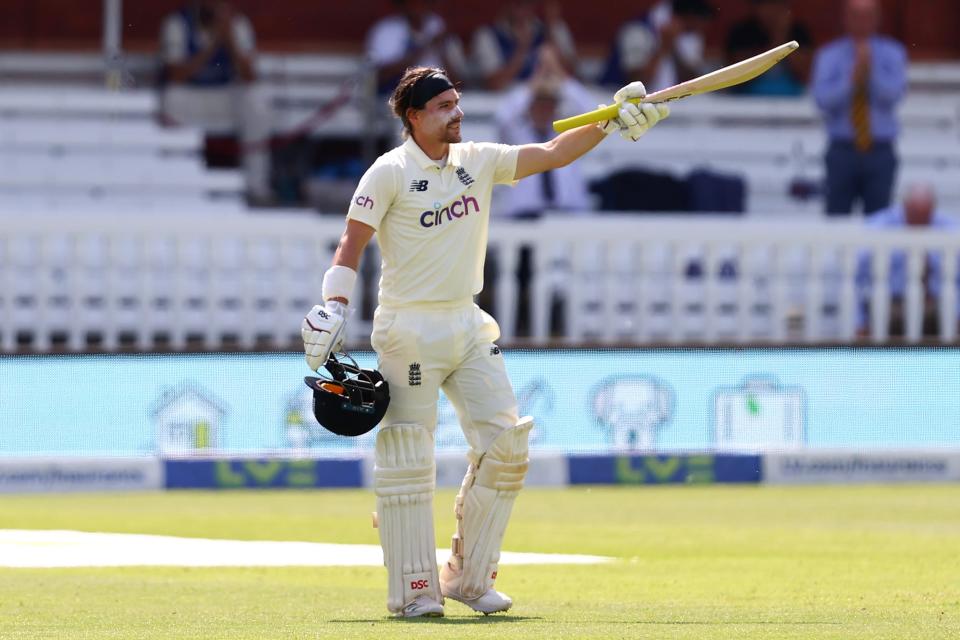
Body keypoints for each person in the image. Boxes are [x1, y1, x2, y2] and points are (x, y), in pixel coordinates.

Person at [301, 66, 669, 617]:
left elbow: (551, 152)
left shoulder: (477, 159)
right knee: (407, 459)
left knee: (506, 448)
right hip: (408, 327)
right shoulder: (389, 172)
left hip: (468, 324)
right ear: (414, 116)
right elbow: (351, 244)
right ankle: (412, 592)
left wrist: (613, 122)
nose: (457, 113)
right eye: (445, 106)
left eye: (458, 102)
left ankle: (468, 578)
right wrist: (335, 306)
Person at [159, 0, 273, 205]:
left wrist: (230, 39)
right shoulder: (178, 23)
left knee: (256, 99)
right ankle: (176, 182)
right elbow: (175, 75)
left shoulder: (237, 24)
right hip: (192, 95)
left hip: (224, 95)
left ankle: (256, 187)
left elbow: (250, 76)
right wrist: (212, 45)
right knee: (172, 97)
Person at [811, 0, 907, 216]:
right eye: (856, 15)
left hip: (880, 149)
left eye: (868, 15)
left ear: (877, 18)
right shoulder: (828, 55)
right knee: (836, 218)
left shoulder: (894, 53)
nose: (862, 22)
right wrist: (851, 81)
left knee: (880, 220)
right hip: (842, 149)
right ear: (846, 18)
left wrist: (870, 73)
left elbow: (894, 95)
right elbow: (822, 100)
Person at [855, 184, 958, 337]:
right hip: (892, 304)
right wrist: (860, 321)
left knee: (949, 310)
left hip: (936, 305)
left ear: (933, 209)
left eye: (925, 215)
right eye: (915, 214)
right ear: (904, 207)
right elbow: (857, 277)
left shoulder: (950, 229)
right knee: (881, 310)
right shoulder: (879, 227)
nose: (920, 221)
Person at [600, 0, 713, 92]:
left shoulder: (691, 36)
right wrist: (663, 47)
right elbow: (637, 83)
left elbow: (692, 84)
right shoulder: (637, 30)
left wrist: (673, 48)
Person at [366, 0, 468, 94]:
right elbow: (380, 76)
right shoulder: (386, 30)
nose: (418, 6)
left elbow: (458, 83)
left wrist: (441, 49)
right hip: (397, 96)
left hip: (435, 95)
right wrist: (427, 46)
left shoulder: (436, 24)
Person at [472, 0, 578, 91]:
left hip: (547, 100)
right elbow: (495, 84)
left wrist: (550, 33)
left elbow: (570, 77)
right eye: (518, 3)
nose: (522, 10)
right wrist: (522, 48)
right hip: (504, 102)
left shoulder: (551, 29)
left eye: (527, 3)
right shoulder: (487, 35)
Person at [725, 0, 813, 96]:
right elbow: (738, 76)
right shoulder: (741, 32)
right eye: (767, 5)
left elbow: (806, 74)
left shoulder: (798, 31)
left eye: (777, 5)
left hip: (792, 103)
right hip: (748, 101)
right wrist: (775, 42)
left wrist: (782, 37)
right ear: (755, 7)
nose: (772, 10)